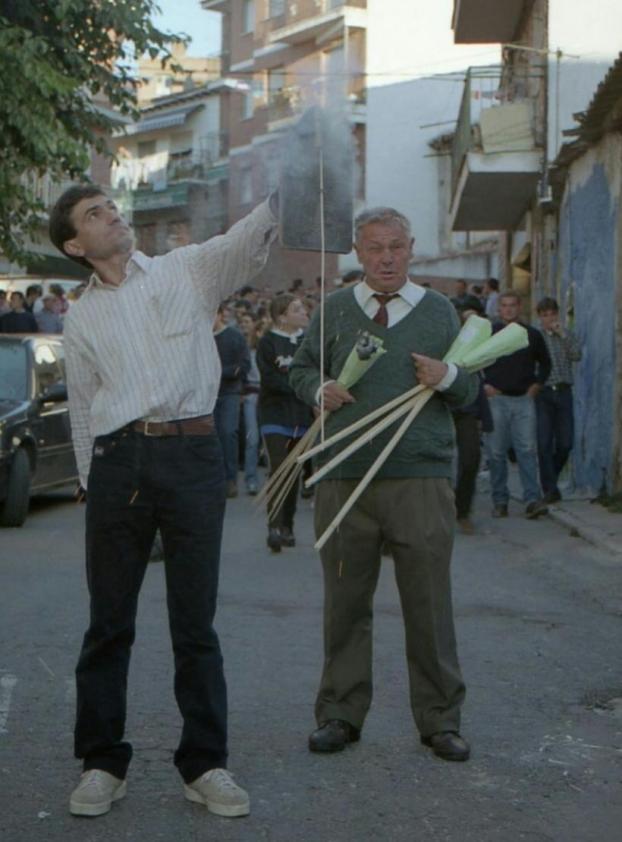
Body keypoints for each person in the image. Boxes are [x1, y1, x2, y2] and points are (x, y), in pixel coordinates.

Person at [49, 183, 278, 820]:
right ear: (76, 245)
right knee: (108, 622)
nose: (112, 215)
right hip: (117, 461)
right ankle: (101, 763)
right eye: (94, 214)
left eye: (109, 206)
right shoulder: (81, 317)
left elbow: (241, 245)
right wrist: (92, 482)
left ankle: (204, 765)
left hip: (194, 455)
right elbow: (82, 406)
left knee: (195, 622)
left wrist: (279, 199)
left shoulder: (186, 270)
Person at [290, 207, 478, 762]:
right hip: (344, 475)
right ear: (358, 253)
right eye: (374, 248)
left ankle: (440, 720)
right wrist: (318, 388)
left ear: (412, 248)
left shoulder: (439, 311)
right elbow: (300, 368)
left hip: (420, 478)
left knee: (429, 604)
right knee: (345, 602)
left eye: (396, 246)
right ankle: (340, 714)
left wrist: (447, 376)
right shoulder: (334, 309)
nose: (387, 257)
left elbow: (470, 389)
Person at [483, 291, 551, 519]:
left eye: (512, 305)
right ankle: (500, 501)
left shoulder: (531, 334)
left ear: (519, 307)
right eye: (504, 305)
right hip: (496, 399)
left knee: (527, 450)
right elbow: (472, 362)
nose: (509, 309)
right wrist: (484, 385)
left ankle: (532, 500)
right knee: (495, 453)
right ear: (499, 308)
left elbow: (546, 363)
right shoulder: (489, 333)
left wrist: (536, 386)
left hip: (523, 400)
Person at [257, 293, 312, 552]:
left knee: (294, 471)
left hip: (302, 415)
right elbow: (269, 378)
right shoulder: (268, 342)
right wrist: (300, 387)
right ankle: (275, 526)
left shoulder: (307, 341)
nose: (304, 313)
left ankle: (288, 524)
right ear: (282, 316)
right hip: (275, 414)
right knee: (279, 467)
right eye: (297, 310)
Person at [535, 296, 582, 503]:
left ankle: (550, 479)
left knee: (566, 442)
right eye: (545, 315)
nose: (549, 319)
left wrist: (563, 335)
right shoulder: (536, 337)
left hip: (564, 392)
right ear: (540, 317)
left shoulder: (566, 335)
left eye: (552, 314)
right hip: (543, 394)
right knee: (544, 442)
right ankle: (550, 490)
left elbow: (577, 355)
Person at [213, 305, 251, 498]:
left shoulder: (234, 337)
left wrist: (220, 373)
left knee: (228, 433)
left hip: (229, 392)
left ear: (220, 315)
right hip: (207, 395)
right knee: (210, 437)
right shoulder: (201, 338)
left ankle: (230, 479)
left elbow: (244, 365)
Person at [238, 312, 261, 495]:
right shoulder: (245, 348)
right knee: (252, 439)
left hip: (269, 396)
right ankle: (251, 479)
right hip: (251, 396)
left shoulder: (267, 348)